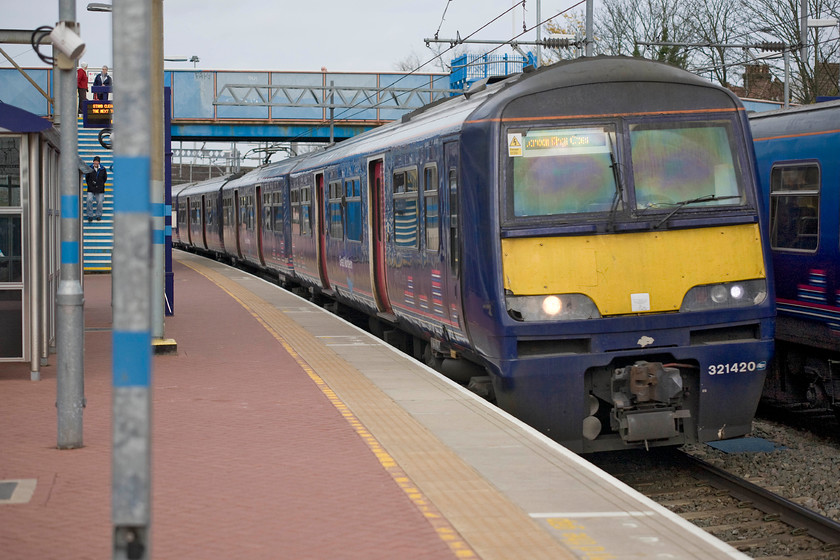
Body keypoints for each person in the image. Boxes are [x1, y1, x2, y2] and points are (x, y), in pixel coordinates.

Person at [85, 156, 107, 222]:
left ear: (99, 162)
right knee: (89, 200)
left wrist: (100, 184)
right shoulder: (89, 168)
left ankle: (98, 215)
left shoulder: (103, 169)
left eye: (97, 162)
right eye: (94, 162)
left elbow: (104, 178)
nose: (95, 163)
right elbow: (87, 178)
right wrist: (90, 184)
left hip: (100, 188)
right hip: (91, 188)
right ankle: (90, 215)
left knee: (100, 202)